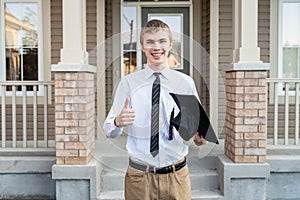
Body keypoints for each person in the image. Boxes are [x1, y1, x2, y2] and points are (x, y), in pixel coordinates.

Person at [103, 19, 206, 200]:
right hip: (139, 178)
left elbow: (194, 127)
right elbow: (109, 130)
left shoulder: (185, 83)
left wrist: (198, 137)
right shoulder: (129, 83)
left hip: (177, 177)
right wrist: (118, 121)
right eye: (150, 42)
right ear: (142, 46)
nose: (156, 47)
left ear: (170, 45)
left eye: (161, 41)